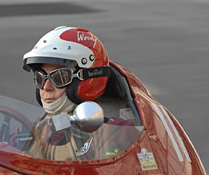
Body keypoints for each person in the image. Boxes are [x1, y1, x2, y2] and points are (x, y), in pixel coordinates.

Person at [21, 26, 137, 161]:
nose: (46, 87)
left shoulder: (115, 132)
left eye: (59, 77)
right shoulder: (42, 125)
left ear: (87, 80)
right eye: (41, 77)